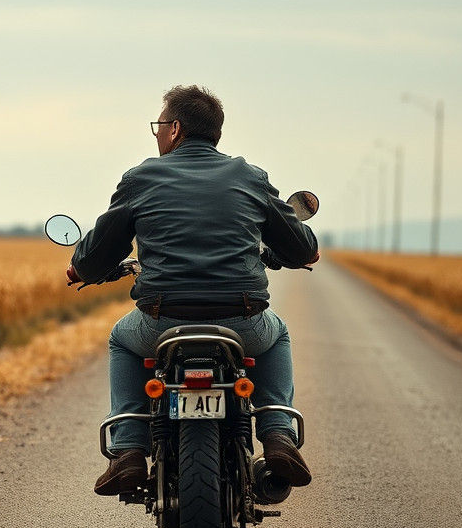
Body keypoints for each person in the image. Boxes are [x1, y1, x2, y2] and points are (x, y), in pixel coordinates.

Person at [66, 85, 319, 496]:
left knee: (121, 339)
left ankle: (128, 450)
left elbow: (99, 251)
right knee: (278, 334)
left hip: (162, 323)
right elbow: (301, 246)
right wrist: (303, 250)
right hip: (242, 322)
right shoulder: (250, 177)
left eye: (159, 126)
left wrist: (80, 268)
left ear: (176, 128)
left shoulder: (141, 177)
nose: (157, 134)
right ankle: (278, 436)